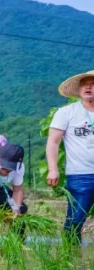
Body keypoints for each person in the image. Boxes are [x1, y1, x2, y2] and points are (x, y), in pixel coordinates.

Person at [47, 69, 94, 242]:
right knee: (75, 221)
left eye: (93, 85)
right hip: (80, 174)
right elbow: (53, 141)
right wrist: (53, 169)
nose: (88, 88)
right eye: (84, 85)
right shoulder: (66, 112)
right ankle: (71, 254)